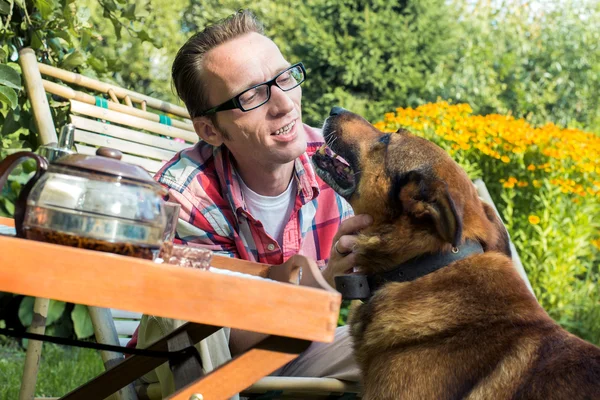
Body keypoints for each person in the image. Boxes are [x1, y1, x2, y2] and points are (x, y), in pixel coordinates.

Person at [131, 9, 372, 398]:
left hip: (299, 353)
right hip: (191, 367)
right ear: (210, 130)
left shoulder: (333, 161)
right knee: (187, 312)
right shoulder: (184, 196)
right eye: (252, 95)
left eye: (284, 78)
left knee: (429, 348)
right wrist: (324, 286)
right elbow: (219, 338)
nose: (284, 104)